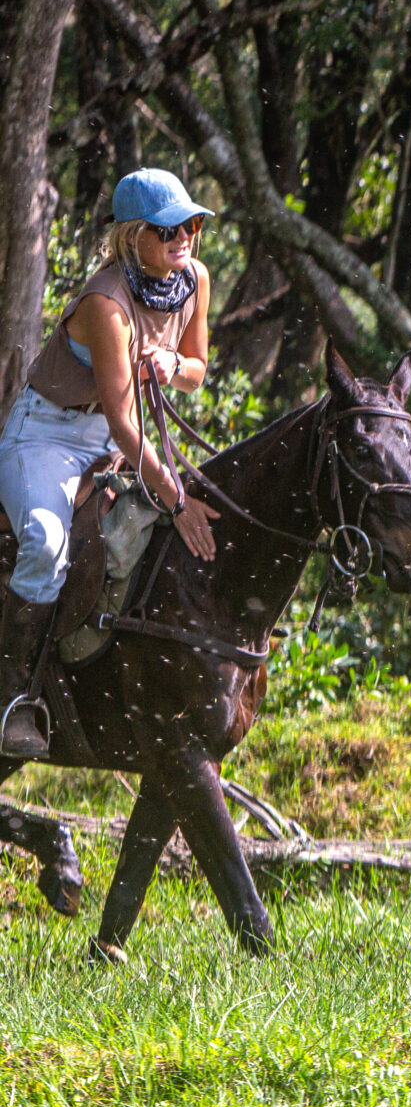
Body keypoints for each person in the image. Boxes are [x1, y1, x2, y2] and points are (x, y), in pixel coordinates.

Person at [0, 169, 222, 759]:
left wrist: (171, 365)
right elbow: (127, 421)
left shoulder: (194, 278)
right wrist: (175, 500)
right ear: (131, 236)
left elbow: (198, 369)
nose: (185, 237)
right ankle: (14, 699)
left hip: (113, 439)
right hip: (46, 437)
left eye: (192, 223)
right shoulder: (105, 304)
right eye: (169, 228)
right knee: (46, 544)